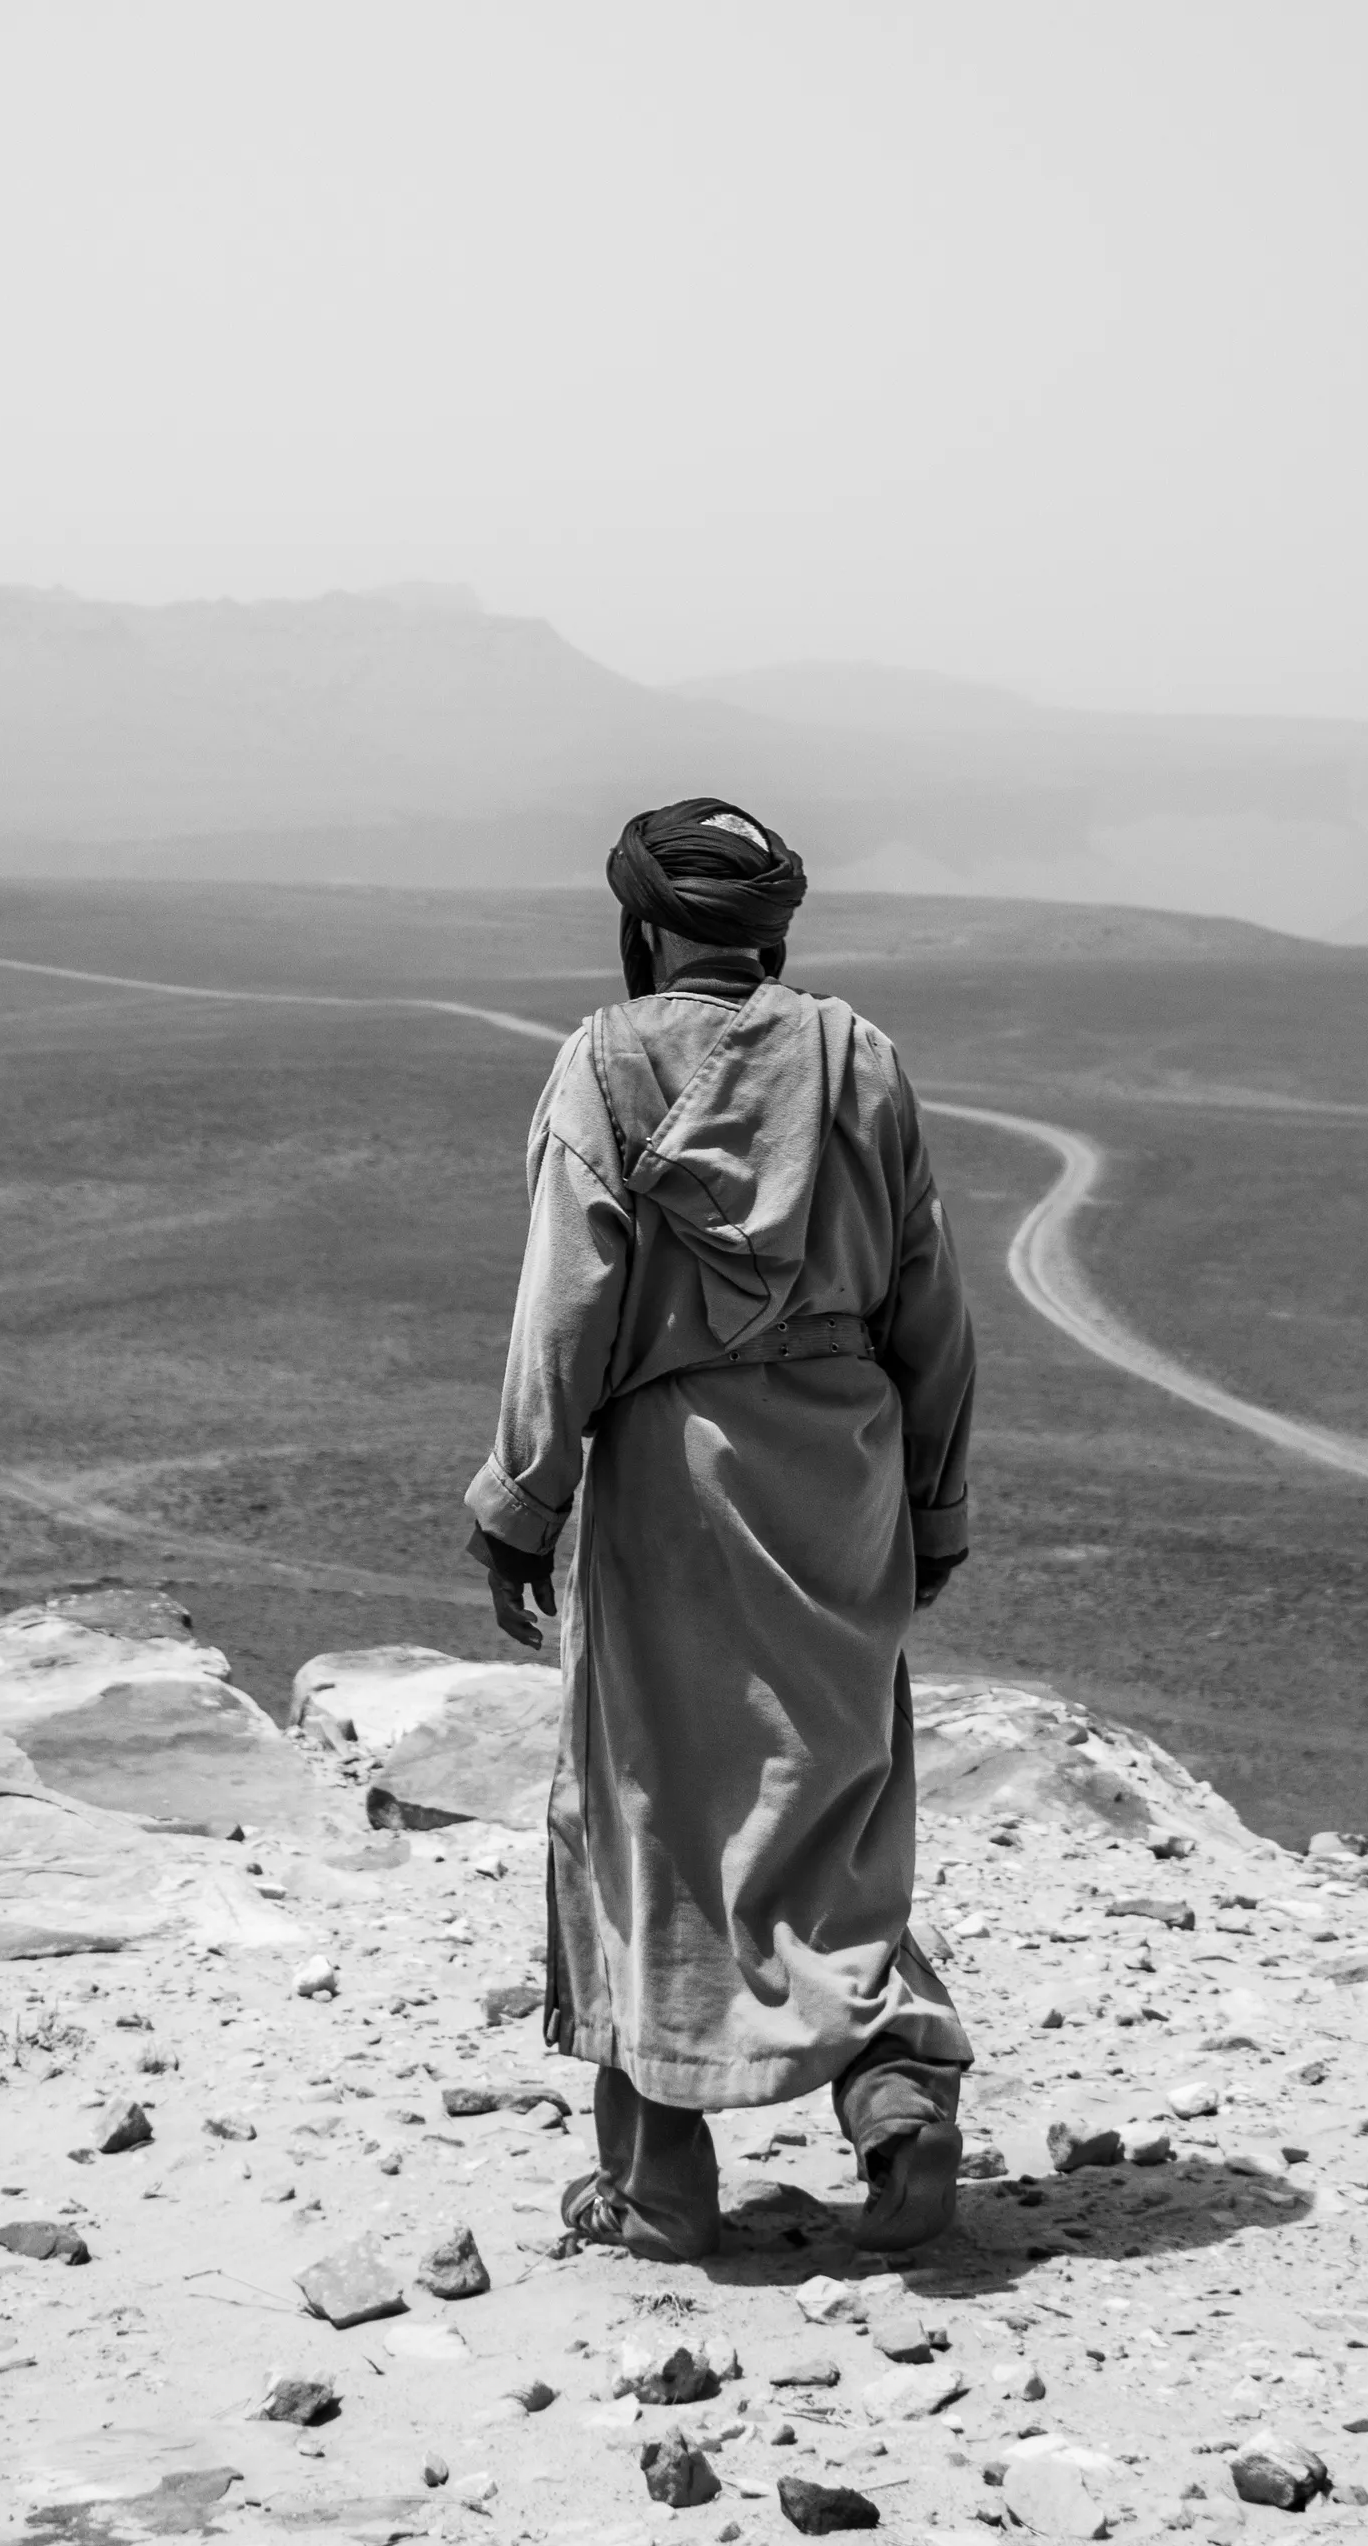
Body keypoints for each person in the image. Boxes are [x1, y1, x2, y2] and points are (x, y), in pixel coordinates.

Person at [464, 796, 981, 2261]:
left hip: (675, 1483)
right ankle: (894, 2098)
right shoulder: (859, 1059)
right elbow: (932, 1307)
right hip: (847, 1465)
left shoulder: (605, 1065)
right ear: (775, 934)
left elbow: (566, 1309)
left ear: (641, 927)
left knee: (650, 1815)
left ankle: (661, 2184)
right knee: (834, 1806)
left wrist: (520, 1502)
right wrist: (932, 1505)